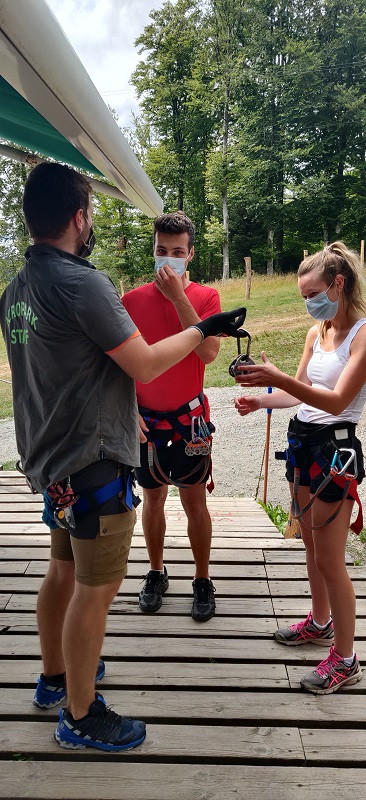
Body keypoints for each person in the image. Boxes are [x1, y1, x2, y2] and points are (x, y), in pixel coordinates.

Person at [0, 162, 246, 750]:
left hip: (52, 465)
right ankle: (81, 715)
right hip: (94, 461)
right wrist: (206, 324)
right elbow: (143, 364)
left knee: (62, 571)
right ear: (79, 216)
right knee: (96, 588)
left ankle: (56, 678)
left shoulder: (15, 290)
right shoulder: (83, 283)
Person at [234, 241, 366, 694]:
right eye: (303, 296)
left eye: (313, 293)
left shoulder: (362, 334)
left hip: (335, 452)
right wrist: (262, 398)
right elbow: (300, 393)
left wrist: (278, 379)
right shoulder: (318, 331)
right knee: (310, 547)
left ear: (338, 284)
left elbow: (336, 401)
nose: (309, 303)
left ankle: (347, 659)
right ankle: (321, 621)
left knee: (331, 560)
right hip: (305, 446)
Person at [122, 212, 220, 622]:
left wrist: (180, 297)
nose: (169, 259)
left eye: (178, 252)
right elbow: (117, 364)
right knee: (154, 497)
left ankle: (202, 579)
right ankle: (157, 571)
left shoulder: (206, 298)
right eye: (162, 251)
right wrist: (128, 411)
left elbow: (209, 352)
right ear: (153, 250)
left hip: (190, 419)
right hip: (146, 420)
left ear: (190, 254)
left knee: (194, 501)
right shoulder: (130, 301)